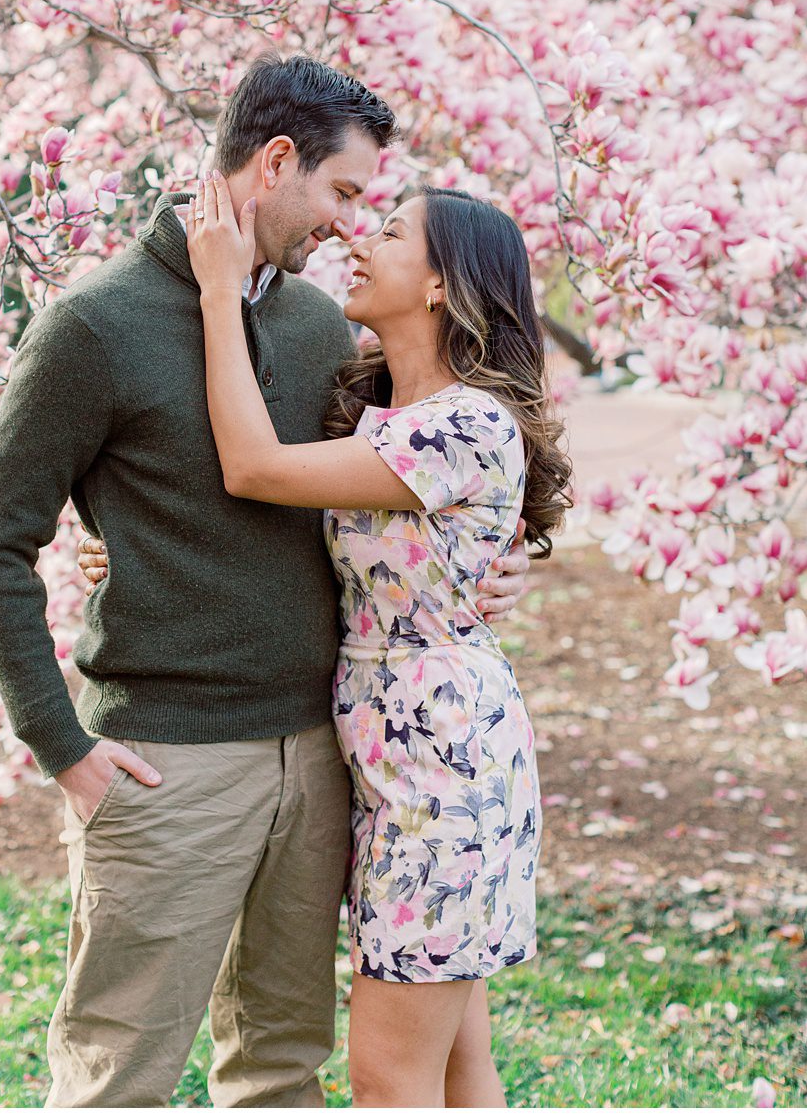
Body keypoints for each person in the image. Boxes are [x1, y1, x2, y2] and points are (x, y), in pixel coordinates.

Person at [0, 52, 527, 1106]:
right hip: (168, 762)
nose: (349, 227)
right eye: (342, 194)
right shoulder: (93, 325)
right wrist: (62, 749)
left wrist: (496, 569)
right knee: (120, 1072)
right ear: (274, 164)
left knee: (280, 1070)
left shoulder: (318, 330)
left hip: (320, 757)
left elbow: (401, 495)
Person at [169, 173, 567, 1106]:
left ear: (439, 283)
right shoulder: (391, 410)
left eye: (389, 232)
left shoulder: (464, 423)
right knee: (459, 1063)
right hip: (407, 760)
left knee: (389, 1080)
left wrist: (220, 291)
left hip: (442, 776)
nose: (357, 238)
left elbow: (255, 468)